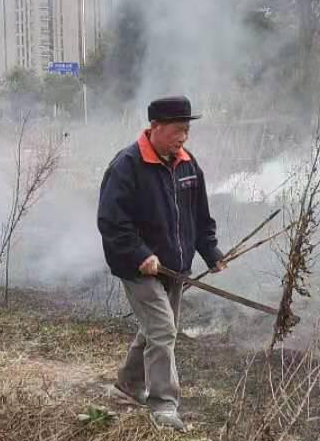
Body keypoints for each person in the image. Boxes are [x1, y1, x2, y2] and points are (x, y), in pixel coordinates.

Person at [97, 96, 226, 431]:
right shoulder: (127, 165)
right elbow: (112, 221)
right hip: (137, 268)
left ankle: (127, 387)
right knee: (164, 330)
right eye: (177, 130)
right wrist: (140, 254)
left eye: (187, 130)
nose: (183, 137)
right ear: (155, 127)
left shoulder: (187, 164)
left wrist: (210, 251)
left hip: (174, 268)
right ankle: (164, 406)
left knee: (155, 330)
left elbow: (199, 215)